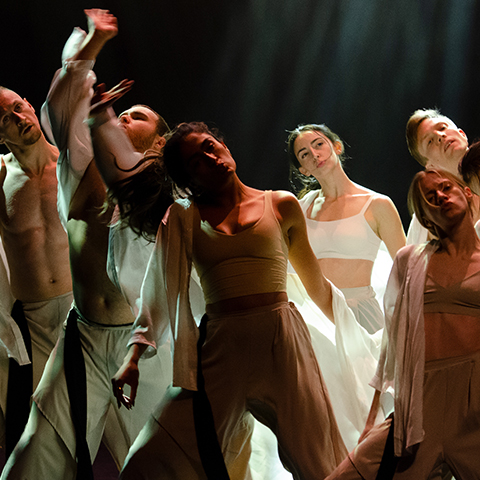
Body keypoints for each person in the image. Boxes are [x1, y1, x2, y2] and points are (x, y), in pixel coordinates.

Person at [111, 121, 348, 479]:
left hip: (280, 344)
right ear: (189, 178)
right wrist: (133, 357)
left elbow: (317, 286)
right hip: (221, 351)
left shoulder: (281, 204)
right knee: (149, 457)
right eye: (196, 161)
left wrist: (357, 338)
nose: (210, 157)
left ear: (222, 143)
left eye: (210, 145)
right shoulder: (182, 217)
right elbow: (157, 289)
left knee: (319, 464)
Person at [1, 10, 172, 479]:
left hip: (144, 348)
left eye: (137, 116)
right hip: (83, 338)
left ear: (158, 143)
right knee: (33, 457)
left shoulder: (166, 197)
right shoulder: (79, 166)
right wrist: (93, 45)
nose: (123, 113)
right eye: (123, 110)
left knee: (154, 463)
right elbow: (64, 103)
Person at [327, 168, 480, 480]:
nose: (440, 196)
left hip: (474, 401)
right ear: (425, 219)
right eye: (428, 199)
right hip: (420, 407)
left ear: (466, 192)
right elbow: (393, 345)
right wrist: (373, 418)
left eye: (445, 187)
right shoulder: (410, 260)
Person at [0, 83, 73, 459]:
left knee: (118, 420)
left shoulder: (73, 165)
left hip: (86, 311)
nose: (18, 119)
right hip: (35, 324)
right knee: (37, 443)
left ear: (29, 104)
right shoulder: (1, 179)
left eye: (18, 107)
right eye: (4, 120)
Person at [287, 123, 406, 333]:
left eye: (319, 144)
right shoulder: (302, 207)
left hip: (359, 315)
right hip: (315, 318)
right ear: (302, 169)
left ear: (337, 146)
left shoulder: (378, 205)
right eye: (304, 154)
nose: (315, 154)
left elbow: (406, 267)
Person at [404, 108, 471, 244]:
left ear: (462, 134)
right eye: (429, 142)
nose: (440, 136)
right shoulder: (426, 219)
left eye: (442, 127)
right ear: (430, 166)